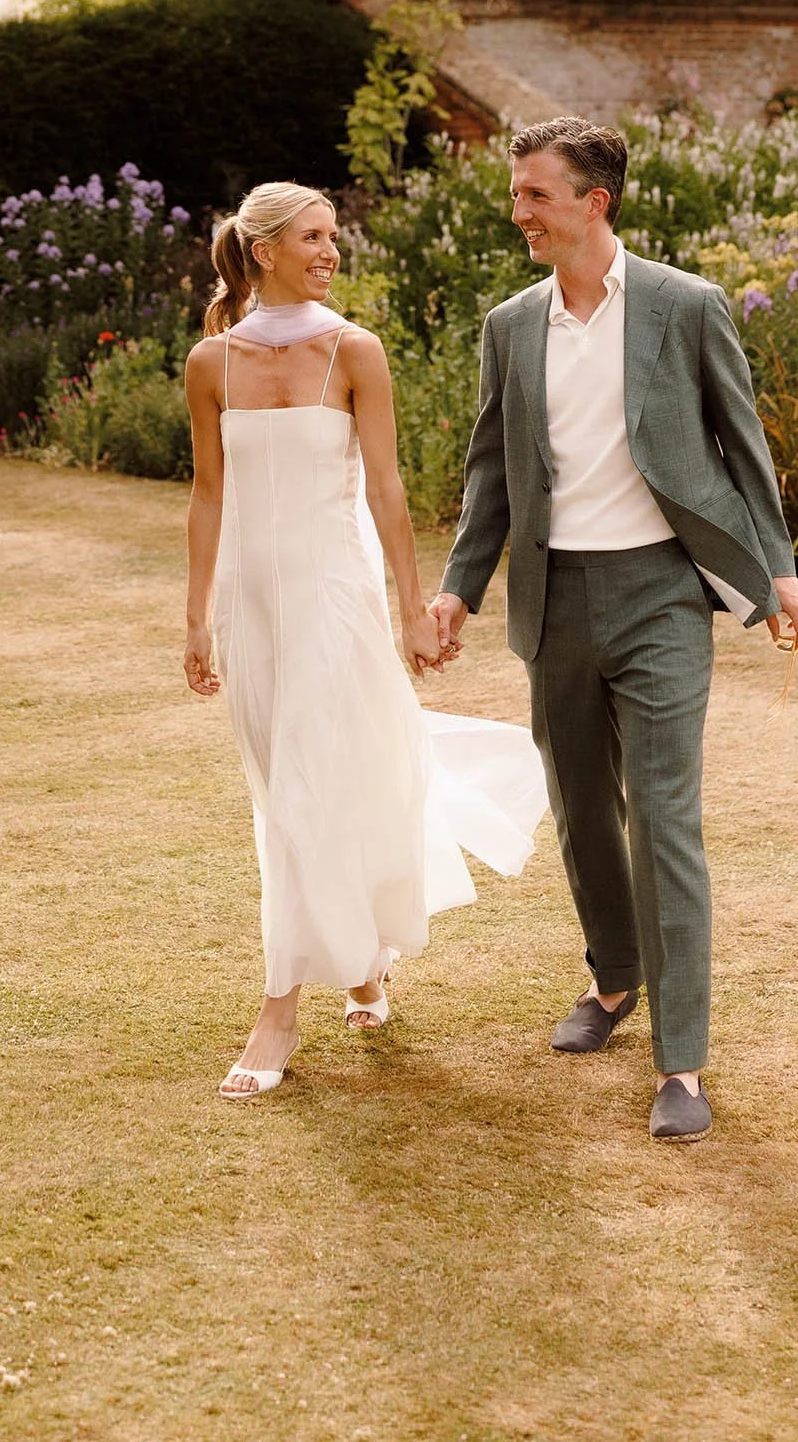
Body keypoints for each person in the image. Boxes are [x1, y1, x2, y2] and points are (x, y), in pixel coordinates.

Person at [428, 117, 798, 1142]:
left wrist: (776, 573)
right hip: (554, 600)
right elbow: (490, 473)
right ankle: (612, 979)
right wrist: (456, 591)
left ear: (592, 203)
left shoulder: (684, 308)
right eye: (516, 194)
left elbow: (742, 450)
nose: (517, 212)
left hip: (658, 597)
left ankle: (680, 1062)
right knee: (579, 806)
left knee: (663, 815)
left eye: (533, 196)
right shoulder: (510, 326)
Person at [183, 179, 547, 1101]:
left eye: (332, 236)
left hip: (334, 602)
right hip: (250, 609)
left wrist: (413, 608)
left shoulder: (355, 351)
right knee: (285, 787)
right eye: (311, 236)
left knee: (309, 781)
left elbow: (386, 490)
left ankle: (277, 1007)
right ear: (262, 250)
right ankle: (361, 967)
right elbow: (207, 495)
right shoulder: (209, 364)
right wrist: (196, 617)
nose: (329, 251)